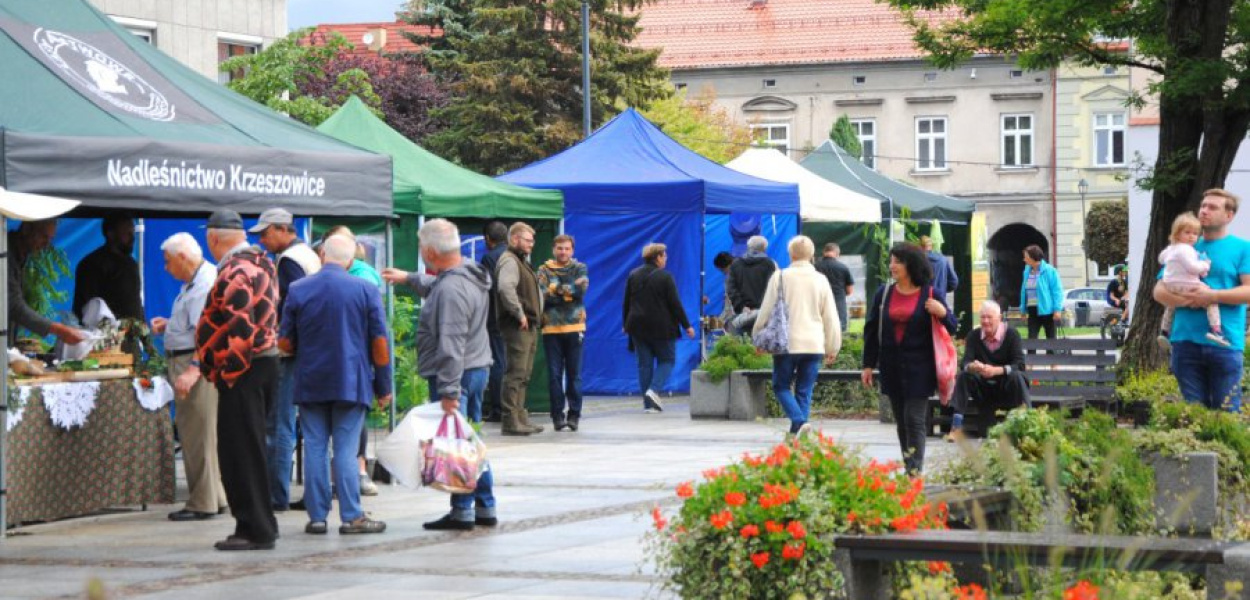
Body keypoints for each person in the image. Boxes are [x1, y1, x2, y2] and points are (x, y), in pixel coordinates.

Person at [382, 219, 498, 531]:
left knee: (456, 445)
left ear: (431, 252)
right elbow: (438, 285)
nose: (421, 253)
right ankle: (485, 505)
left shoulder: (451, 290)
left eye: (422, 248)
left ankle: (462, 510)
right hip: (477, 369)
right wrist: (408, 278)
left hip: (456, 376)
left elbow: (451, 343)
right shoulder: (469, 274)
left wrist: (448, 392)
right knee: (471, 441)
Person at [280, 235, 391, 536]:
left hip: (311, 380)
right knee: (345, 449)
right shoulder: (366, 290)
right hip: (351, 382)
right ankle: (352, 516)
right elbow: (380, 344)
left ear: (321, 255)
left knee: (314, 446)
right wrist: (383, 387)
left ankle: (317, 517)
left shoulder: (298, 289)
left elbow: (285, 342)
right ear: (351, 260)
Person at [195, 209, 280, 551]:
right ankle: (261, 524)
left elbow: (240, 326)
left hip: (245, 369)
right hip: (264, 364)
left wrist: (228, 372)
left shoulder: (235, 270)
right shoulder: (263, 262)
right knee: (252, 450)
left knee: (239, 453)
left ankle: (253, 528)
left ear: (213, 239)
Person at [151, 233, 228, 521]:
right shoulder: (195, 281)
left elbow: (206, 334)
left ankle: (202, 502)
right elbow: (196, 324)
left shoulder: (203, 284)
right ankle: (214, 496)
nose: (166, 268)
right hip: (190, 361)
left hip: (193, 364)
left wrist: (193, 369)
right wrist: (170, 325)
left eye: (168, 261)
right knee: (201, 434)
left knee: (197, 435)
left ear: (183, 257)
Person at [861, 242, 956, 474]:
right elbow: (871, 330)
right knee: (901, 422)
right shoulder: (884, 294)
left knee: (914, 418)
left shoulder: (931, 294)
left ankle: (915, 470)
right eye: (891, 261)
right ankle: (909, 465)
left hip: (920, 367)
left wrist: (942, 312)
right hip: (891, 366)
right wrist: (867, 364)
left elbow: (952, 326)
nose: (892, 266)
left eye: (897, 261)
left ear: (910, 265)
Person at [250, 207, 321, 512]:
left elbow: (290, 307)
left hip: (291, 353)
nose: (263, 240)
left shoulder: (290, 261)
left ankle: (276, 494)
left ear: (282, 229)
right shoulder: (308, 254)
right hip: (310, 351)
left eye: (266, 233)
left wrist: (281, 341)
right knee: (308, 428)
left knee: (278, 425)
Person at [1154, 188, 1250, 413]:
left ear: (1229, 215)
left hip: (1225, 344)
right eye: (1203, 206)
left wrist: (1212, 296)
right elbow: (1159, 290)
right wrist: (1188, 300)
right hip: (1185, 342)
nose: (1204, 211)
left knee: (1225, 416)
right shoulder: (1184, 246)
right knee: (1193, 415)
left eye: (1212, 207)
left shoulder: (1243, 248)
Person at [319, 225, 384, 496]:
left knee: (343, 434)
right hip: (346, 366)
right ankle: (347, 499)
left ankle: (356, 475)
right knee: (339, 434)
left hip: (350, 364)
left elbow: (376, 332)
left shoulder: (364, 277)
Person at [752, 236, 841, 434]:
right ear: (811, 255)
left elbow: (766, 310)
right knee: (804, 390)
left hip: (786, 343)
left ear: (790, 254)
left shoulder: (780, 276)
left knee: (781, 386)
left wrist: (758, 335)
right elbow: (831, 316)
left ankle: (799, 422)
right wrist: (832, 345)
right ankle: (798, 435)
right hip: (814, 343)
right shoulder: (821, 279)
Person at [623, 243, 695, 412]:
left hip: (637, 326)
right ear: (658, 257)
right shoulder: (665, 277)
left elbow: (627, 301)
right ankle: (653, 390)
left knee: (644, 365)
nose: (666, 258)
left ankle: (648, 405)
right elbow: (675, 304)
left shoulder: (633, 275)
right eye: (664, 256)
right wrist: (687, 325)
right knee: (667, 360)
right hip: (662, 327)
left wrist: (625, 323)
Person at [946, 300, 1030, 441]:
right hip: (984, 388)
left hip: (1006, 387)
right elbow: (965, 363)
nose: (985, 321)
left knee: (1017, 376)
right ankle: (956, 427)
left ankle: (1027, 425)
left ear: (999, 318)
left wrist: (997, 370)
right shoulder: (974, 335)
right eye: (983, 317)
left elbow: (1020, 364)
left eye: (989, 317)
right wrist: (973, 366)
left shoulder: (1012, 335)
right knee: (965, 375)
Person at [495, 222, 545, 435]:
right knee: (515, 373)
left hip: (529, 324)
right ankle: (510, 420)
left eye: (532, 241)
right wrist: (519, 313)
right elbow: (505, 287)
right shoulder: (509, 260)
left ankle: (521, 416)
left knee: (524, 374)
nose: (531, 245)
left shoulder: (521, 261)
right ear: (514, 239)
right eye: (527, 240)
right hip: (517, 325)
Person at [537, 234, 589, 432]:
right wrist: (567, 292)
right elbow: (542, 295)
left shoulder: (580, 268)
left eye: (567, 248)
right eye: (560, 248)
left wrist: (554, 289)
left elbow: (580, 291)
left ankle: (574, 415)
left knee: (575, 375)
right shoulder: (543, 269)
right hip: (551, 328)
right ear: (553, 249)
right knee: (554, 375)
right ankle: (557, 416)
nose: (563, 252)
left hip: (575, 328)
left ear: (572, 251)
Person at [7, 219, 86, 345]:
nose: (46, 245)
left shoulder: (19, 255)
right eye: (44, 236)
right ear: (26, 228)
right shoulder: (5, 255)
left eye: (50, 239)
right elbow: (13, 305)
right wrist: (59, 329)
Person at [1158, 213, 1228, 346]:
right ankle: (1216, 330)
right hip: (1186, 283)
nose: (1192, 236)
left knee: (1171, 306)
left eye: (1195, 233)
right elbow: (1193, 268)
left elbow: (1161, 259)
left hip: (1170, 284)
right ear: (1177, 234)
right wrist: (1205, 264)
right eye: (1187, 232)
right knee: (1211, 300)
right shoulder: (1186, 249)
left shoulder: (1171, 248)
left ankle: (1164, 331)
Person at [72, 215, 144, 322]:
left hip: (134, 333)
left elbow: (135, 302)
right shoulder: (92, 265)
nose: (132, 237)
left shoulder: (131, 263)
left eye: (132, 232)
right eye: (127, 233)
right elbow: (84, 308)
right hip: (106, 334)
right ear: (111, 234)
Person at [480, 221, 509, 423]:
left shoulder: (489, 258)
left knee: (497, 362)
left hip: (495, 317)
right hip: (514, 317)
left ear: (488, 240)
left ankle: (498, 408)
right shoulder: (516, 255)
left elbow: (488, 287)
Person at [727, 235, 776, 332]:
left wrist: (741, 307)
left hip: (744, 314)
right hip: (763, 314)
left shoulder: (736, 264)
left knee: (744, 345)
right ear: (764, 248)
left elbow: (731, 289)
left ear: (748, 247)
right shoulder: (769, 264)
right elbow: (773, 290)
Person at [1018, 244, 1064, 347]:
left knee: (1051, 338)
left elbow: (1057, 291)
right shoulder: (1027, 271)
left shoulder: (1049, 271)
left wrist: (1057, 309)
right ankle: (1030, 362)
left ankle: (1053, 363)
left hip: (1048, 310)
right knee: (1031, 338)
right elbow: (1023, 291)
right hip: (1032, 309)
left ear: (1033, 257)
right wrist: (1023, 310)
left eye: (1026, 256)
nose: (1024, 259)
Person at [814, 242, 855, 332]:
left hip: (818, 306)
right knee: (839, 333)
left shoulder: (815, 267)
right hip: (838, 306)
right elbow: (849, 290)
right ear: (837, 254)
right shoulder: (843, 267)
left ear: (824, 252)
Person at [921, 235, 959, 300]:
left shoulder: (919, 261)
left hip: (923, 301)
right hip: (940, 300)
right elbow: (954, 282)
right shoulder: (943, 260)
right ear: (931, 246)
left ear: (920, 247)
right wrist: (942, 290)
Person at [713, 251, 736, 331]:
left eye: (723, 270)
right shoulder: (729, 279)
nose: (723, 273)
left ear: (729, 265)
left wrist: (719, 322)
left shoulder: (731, 280)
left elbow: (729, 307)